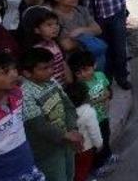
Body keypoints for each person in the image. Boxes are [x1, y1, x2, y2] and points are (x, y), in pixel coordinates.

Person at [20, 47, 82, 181]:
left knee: (69, 175)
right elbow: (38, 125)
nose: (51, 71)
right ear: (27, 73)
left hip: (67, 141)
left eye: (51, 66)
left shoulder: (52, 82)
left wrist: (73, 129)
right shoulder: (25, 93)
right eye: (44, 68)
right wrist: (67, 135)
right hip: (47, 151)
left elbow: (68, 106)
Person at [0, 53, 47, 181]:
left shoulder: (17, 92)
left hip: (27, 165)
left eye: (14, 69)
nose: (14, 74)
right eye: (4, 72)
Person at [67, 51, 117, 176]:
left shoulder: (100, 75)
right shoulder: (79, 87)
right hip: (91, 121)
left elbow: (107, 89)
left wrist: (108, 96)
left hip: (103, 115)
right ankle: (96, 166)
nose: (83, 74)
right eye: (78, 72)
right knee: (94, 145)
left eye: (86, 70)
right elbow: (86, 103)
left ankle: (108, 154)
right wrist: (103, 98)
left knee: (105, 136)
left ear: (94, 65)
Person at [44, 0, 106, 72]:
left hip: (92, 59)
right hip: (72, 64)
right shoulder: (53, 18)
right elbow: (66, 45)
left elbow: (98, 29)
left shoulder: (81, 10)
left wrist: (81, 30)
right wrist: (88, 38)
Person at [63, 82, 102, 181]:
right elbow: (94, 132)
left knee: (75, 169)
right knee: (83, 169)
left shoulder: (65, 112)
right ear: (86, 96)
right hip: (86, 148)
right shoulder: (89, 112)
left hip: (71, 148)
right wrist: (99, 144)